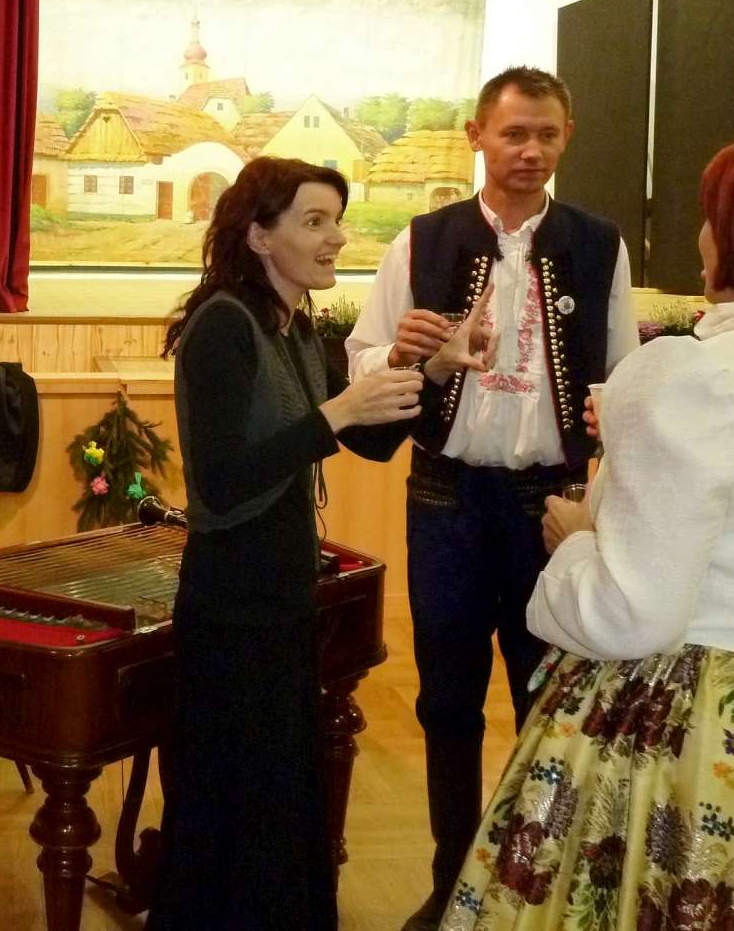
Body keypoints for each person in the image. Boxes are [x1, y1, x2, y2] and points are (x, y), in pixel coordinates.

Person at [442, 121, 734, 929]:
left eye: (714, 214)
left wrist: (578, 540)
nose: (703, 235)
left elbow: (630, 612)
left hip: (707, 736)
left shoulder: (704, 373)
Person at [148, 157, 491, 931]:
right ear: (259, 236)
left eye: (337, 220)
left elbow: (365, 441)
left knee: (280, 799)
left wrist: (436, 370)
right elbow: (222, 486)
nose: (337, 237)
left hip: (282, 595)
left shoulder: (299, 326)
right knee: (232, 804)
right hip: (232, 604)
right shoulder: (222, 326)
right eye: (314, 221)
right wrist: (337, 412)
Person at [345, 65, 640, 931]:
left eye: (547, 134)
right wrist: (402, 354)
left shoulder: (598, 244)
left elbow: (623, 374)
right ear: (477, 136)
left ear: (567, 138)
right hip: (446, 499)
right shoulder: (423, 240)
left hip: (552, 506)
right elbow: (363, 360)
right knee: (446, 701)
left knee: (549, 700)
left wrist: (611, 440)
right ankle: (451, 886)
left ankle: (532, 890)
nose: (531, 150)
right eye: (514, 133)